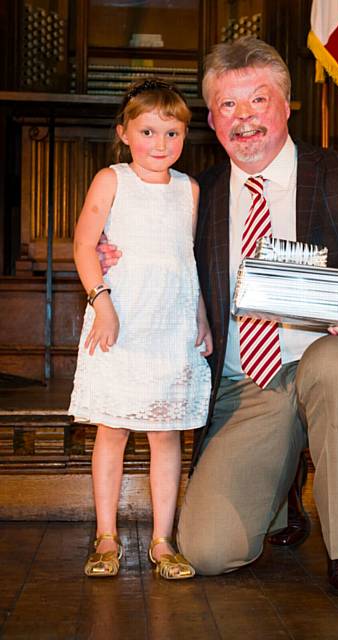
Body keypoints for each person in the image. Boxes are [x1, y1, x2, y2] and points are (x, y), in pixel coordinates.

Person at [99, 37, 338, 596]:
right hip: (244, 382)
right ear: (212, 118)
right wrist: (115, 254)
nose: (245, 118)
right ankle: (283, 492)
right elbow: (145, 247)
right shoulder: (191, 194)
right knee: (208, 551)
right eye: (229, 105)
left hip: (326, 358)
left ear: (286, 106)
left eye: (259, 100)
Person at [69, 78, 212, 580]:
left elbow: (188, 262)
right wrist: (101, 302)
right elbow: (85, 245)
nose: (160, 144)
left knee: (166, 434)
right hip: (122, 318)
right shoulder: (112, 180)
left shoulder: (189, 191)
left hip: (171, 325)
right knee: (112, 429)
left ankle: (162, 539)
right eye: (148, 131)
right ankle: (106, 534)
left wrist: (201, 318)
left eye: (172, 134)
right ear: (124, 133)